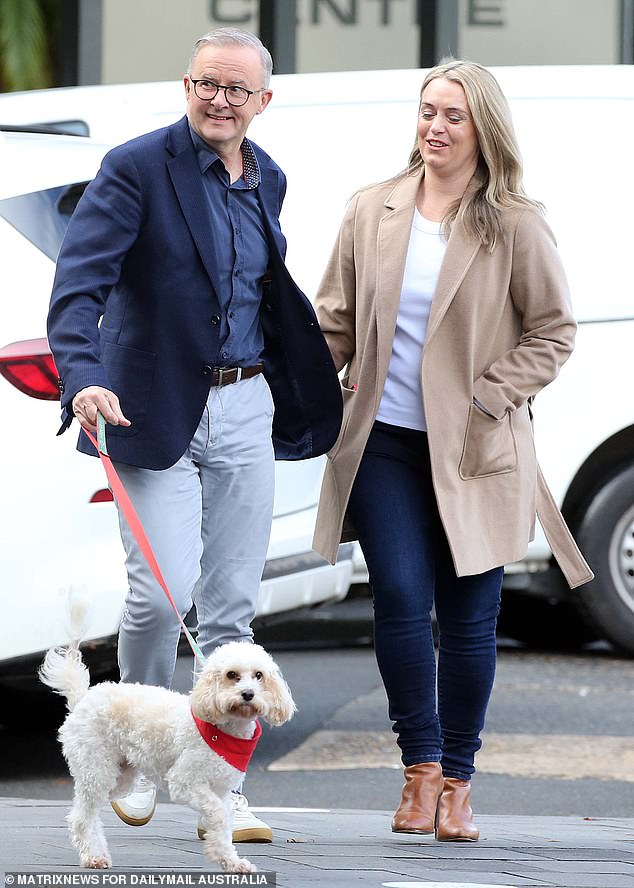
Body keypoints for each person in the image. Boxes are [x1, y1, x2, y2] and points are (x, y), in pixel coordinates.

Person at [47, 28, 341, 844]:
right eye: (207, 83)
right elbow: (79, 285)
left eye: (237, 89)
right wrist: (83, 377)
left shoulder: (267, 177)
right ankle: (136, 744)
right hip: (151, 406)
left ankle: (224, 782)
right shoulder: (137, 167)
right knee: (164, 591)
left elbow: (260, 294)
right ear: (187, 85)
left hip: (246, 404)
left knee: (233, 608)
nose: (220, 99)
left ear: (263, 102)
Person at [312, 59, 593, 841]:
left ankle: (459, 784)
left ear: (483, 129)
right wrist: (294, 397)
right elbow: (332, 320)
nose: (434, 126)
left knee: (471, 619)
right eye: (427, 111)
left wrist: (486, 395)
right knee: (402, 598)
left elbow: (554, 332)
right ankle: (420, 769)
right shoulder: (374, 208)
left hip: (477, 448)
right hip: (384, 444)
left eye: (453, 116)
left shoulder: (515, 221)